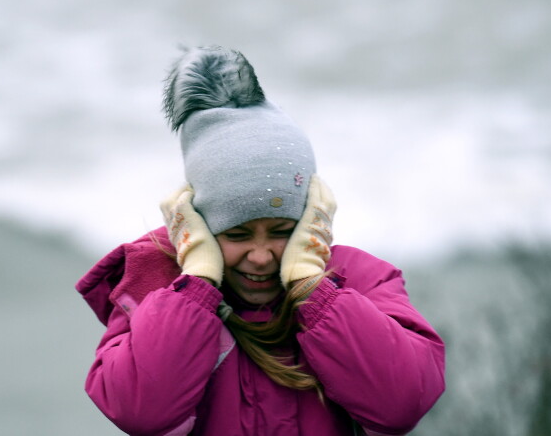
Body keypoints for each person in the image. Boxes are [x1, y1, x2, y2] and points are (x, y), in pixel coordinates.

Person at [76, 46, 445, 436]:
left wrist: (311, 286)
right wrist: (198, 281)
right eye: (236, 234)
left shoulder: (360, 281)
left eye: (282, 231)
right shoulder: (153, 288)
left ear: (311, 220)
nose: (261, 255)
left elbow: (403, 403)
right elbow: (142, 411)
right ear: (198, 224)